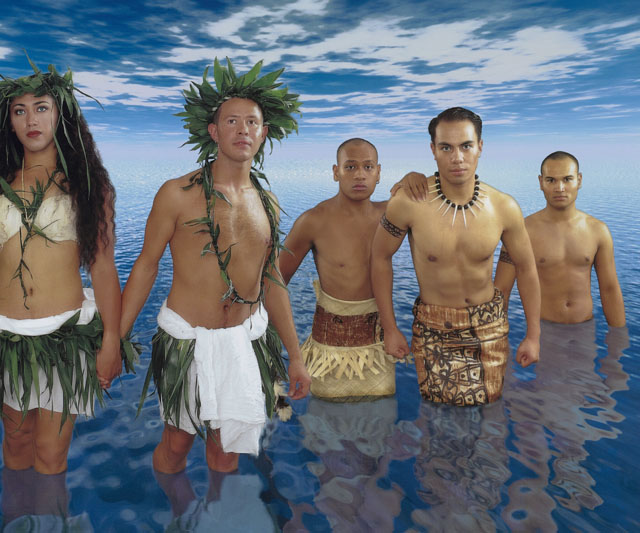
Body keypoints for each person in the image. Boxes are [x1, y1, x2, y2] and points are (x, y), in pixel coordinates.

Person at [0, 60, 124, 497]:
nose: (31, 120)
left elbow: (104, 267)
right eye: (19, 111)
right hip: (4, 335)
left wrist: (111, 341)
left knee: (51, 454)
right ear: (8, 122)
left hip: (62, 336)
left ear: (61, 114)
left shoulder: (89, 186)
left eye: (41, 107)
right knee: (14, 440)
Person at [120, 59, 311, 481]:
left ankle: (218, 518)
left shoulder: (268, 201)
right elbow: (146, 265)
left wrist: (295, 357)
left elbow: (272, 279)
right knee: (176, 443)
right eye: (232, 121)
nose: (243, 129)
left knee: (226, 454)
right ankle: (177, 511)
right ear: (213, 131)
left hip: (245, 340)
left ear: (263, 133)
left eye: (252, 122)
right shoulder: (176, 193)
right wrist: (115, 339)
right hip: (188, 342)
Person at [372, 107, 540, 406]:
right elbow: (379, 258)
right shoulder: (408, 203)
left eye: (466, 146)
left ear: (480, 147)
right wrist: (390, 328)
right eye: (446, 147)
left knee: (491, 420)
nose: (457, 157)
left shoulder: (504, 207)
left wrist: (533, 335)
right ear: (433, 150)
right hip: (433, 329)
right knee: (436, 424)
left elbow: (526, 267)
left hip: (490, 329)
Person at [280, 138, 399, 401]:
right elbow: (274, 283)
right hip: (328, 354)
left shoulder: (393, 214)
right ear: (336, 172)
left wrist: (416, 178)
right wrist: (291, 353)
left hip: (380, 349)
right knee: (325, 432)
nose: (360, 174)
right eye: (350, 167)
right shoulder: (313, 220)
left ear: (379, 173)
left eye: (368, 167)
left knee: (380, 428)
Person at [494, 151, 625, 327]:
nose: (560, 188)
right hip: (543, 331)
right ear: (541, 182)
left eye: (567, 179)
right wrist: (494, 340)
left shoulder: (598, 231)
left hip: (585, 330)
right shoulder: (521, 232)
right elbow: (501, 290)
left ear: (579, 180)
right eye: (551, 180)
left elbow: (609, 289)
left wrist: (619, 343)